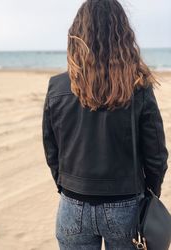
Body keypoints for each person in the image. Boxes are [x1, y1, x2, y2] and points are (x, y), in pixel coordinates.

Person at [42, 0, 169, 249]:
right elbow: (156, 155)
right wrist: (150, 193)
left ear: (77, 34)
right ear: (123, 36)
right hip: (126, 204)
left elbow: (51, 148)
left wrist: (66, 184)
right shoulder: (138, 88)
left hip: (72, 204)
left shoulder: (57, 87)